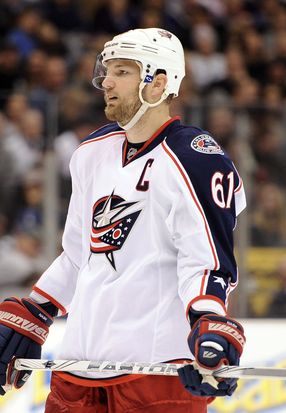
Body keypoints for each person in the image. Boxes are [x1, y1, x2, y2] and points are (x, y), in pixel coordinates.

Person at [0, 28, 246, 412]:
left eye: (123, 72)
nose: (106, 82)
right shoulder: (91, 153)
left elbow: (205, 259)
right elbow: (77, 254)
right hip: (77, 366)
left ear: (158, 82)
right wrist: (37, 310)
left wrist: (210, 318)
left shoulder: (196, 158)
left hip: (156, 371)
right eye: (106, 71)